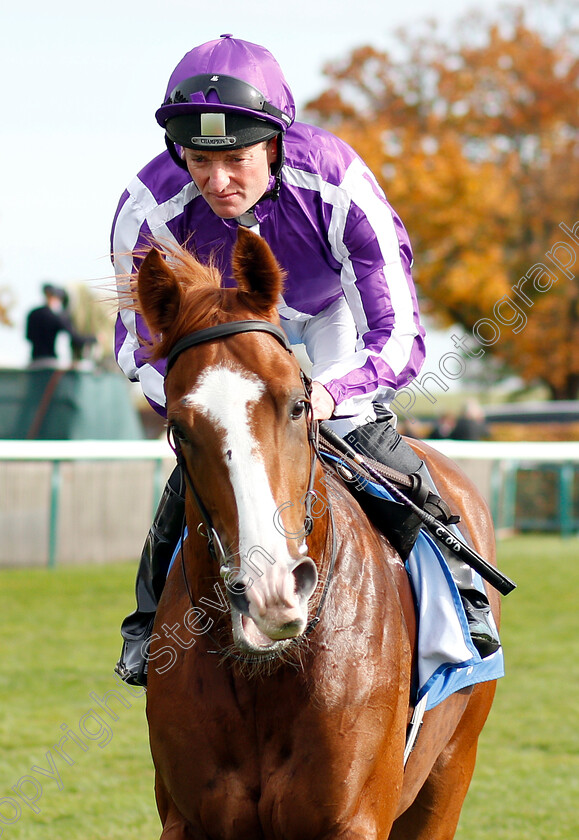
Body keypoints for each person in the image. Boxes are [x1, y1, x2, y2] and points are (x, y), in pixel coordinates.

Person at [112, 34, 499, 686]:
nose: (215, 180)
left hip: (327, 319)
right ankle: (149, 622)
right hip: (220, 337)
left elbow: (398, 333)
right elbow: (133, 343)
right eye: (198, 160)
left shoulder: (338, 180)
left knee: (359, 432)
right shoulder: (148, 209)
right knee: (206, 452)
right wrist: (192, 402)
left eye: (236, 159)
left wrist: (327, 394)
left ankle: (460, 589)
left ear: (275, 143)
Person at [26, 283, 94, 368]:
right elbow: (76, 338)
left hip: (34, 361)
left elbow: (28, 337)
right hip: (50, 363)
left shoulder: (33, 314)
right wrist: (94, 338)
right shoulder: (56, 317)